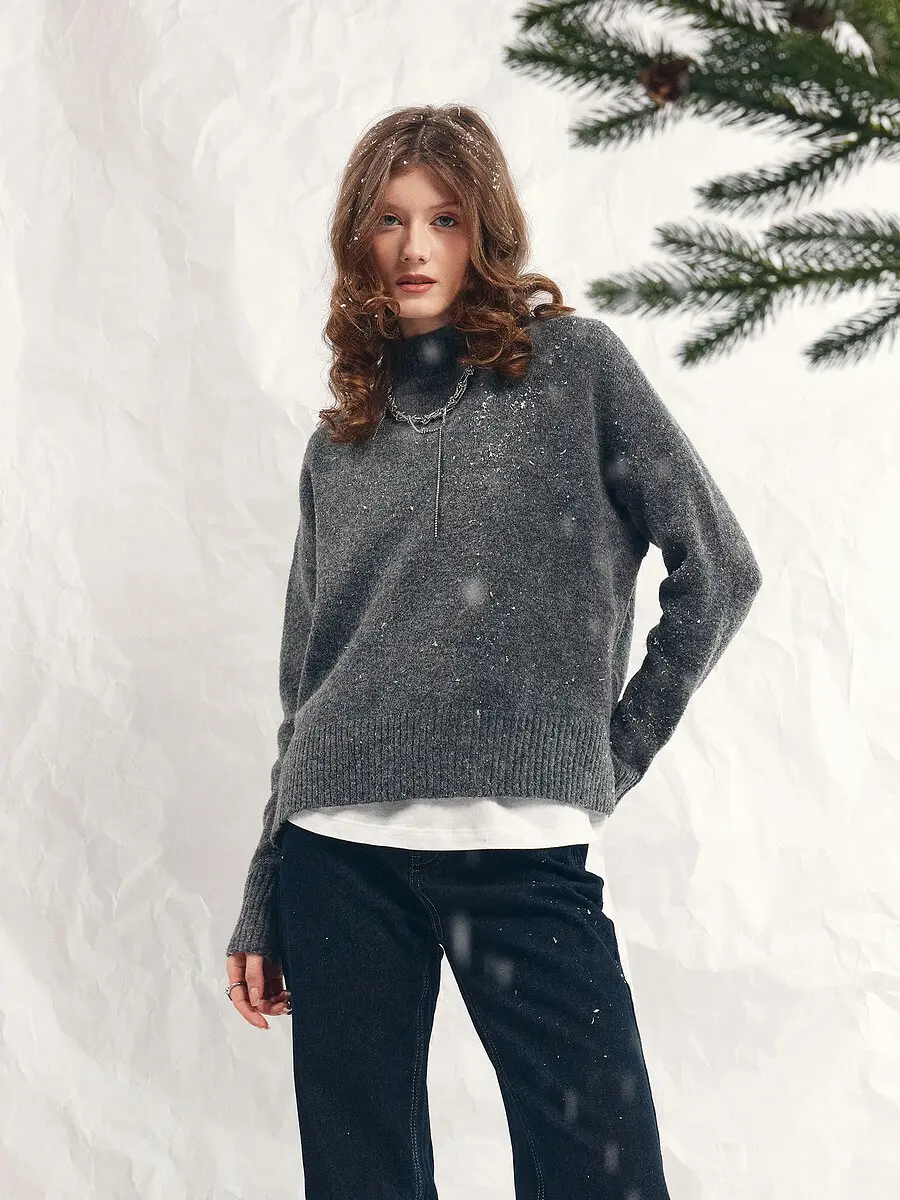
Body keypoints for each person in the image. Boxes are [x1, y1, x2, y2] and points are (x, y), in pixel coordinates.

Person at [224, 103, 763, 1199]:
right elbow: (305, 682)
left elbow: (720, 572)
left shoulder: (575, 372)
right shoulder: (343, 439)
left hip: (519, 855)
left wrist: (609, 757)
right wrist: (265, 884)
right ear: (358, 239)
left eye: (445, 218)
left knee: (603, 1176)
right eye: (388, 219)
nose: (414, 247)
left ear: (486, 232)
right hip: (335, 857)